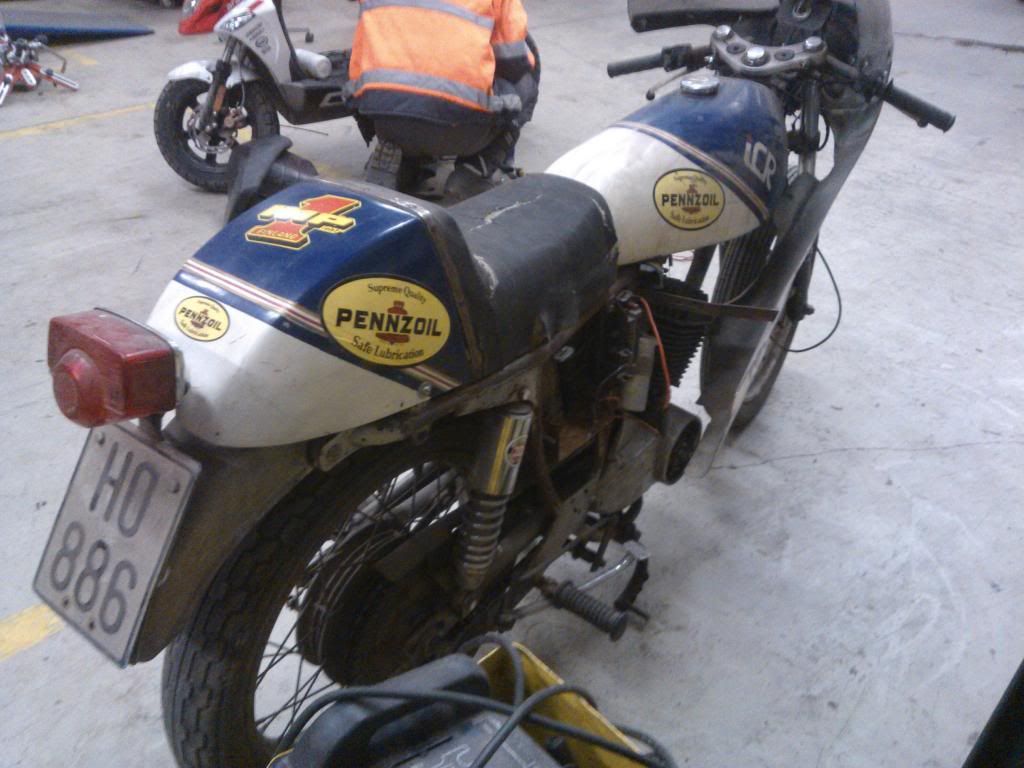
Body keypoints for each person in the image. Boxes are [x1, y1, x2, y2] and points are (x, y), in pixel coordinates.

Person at [347, 0, 539, 196]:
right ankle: (476, 168)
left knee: (389, 77)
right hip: (461, 130)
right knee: (525, 83)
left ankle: (401, 158)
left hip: (386, 120)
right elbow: (515, 62)